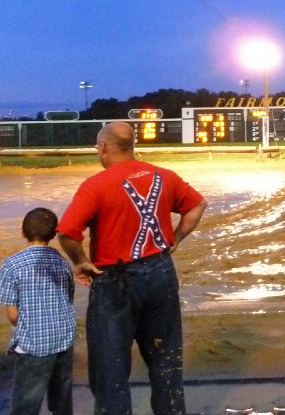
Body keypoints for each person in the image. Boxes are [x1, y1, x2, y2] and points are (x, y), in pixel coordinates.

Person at [57, 121, 207, 415]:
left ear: (103, 148)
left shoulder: (96, 185)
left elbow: (67, 233)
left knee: (110, 369)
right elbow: (198, 205)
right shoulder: (165, 176)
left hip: (116, 282)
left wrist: (81, 262)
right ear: (132, 147)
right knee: (166, 361)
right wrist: (174, 240)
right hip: (161, 273)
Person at [0, 207, 76, 415]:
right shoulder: (63, 262)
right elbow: (68, 298)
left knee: (26, 403)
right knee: (61, 401)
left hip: (33, 345)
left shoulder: (11, 265)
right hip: (63, 338)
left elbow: (12, 315)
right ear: (53, 234)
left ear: (23, 232)